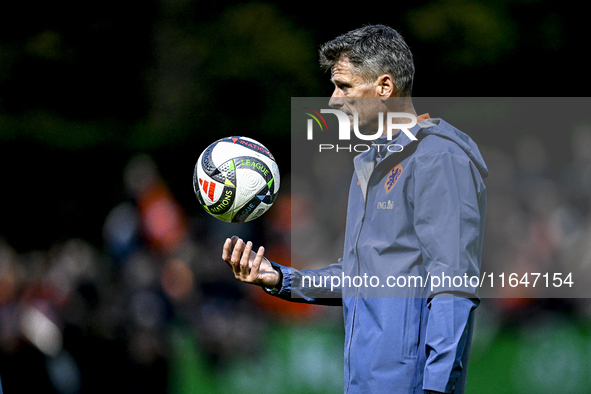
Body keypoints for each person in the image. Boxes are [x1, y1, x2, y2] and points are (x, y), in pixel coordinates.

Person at [222, 24, 487, 394]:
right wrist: (282, 279)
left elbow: (453, 286)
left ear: (384, 86)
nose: (332, 100)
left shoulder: (438, 159)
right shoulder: (369, 164)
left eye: (344, 86)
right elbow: (362, 276)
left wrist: (438, 389)